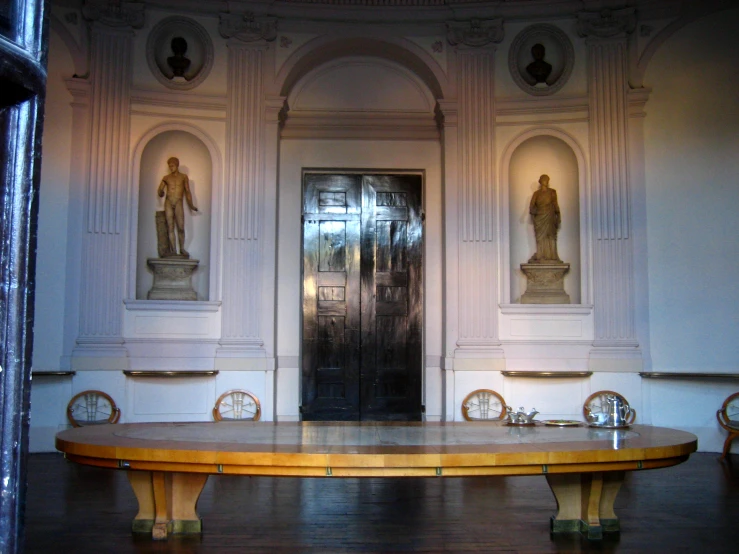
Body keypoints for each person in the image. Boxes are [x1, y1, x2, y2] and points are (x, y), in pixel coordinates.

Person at [158, 157, 197, 257]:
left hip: (179, 202)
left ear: (177, 165)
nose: (171, 168)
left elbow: (188, 192)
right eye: (169, 166)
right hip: (168, 202)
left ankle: (182, 248)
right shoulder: (166, 178)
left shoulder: (183, 177)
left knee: (181, 227)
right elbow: (160, 190)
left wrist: (191, 205)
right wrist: (161, 192)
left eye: (172, 166)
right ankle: (173, 250)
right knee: (170, 226)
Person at [528, 174, 561, 263]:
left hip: (550, 215)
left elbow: (555, 204)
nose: (546, 181)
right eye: (544, 179)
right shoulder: (536, 194)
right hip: (540, 217)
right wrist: (534, 211)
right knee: (540, 236)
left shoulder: (552, 192)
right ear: (541, 181)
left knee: (550, 235)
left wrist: (558, 216)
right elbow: (531, 206)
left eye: (547, 180)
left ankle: (552, 256)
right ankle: (540, 255)